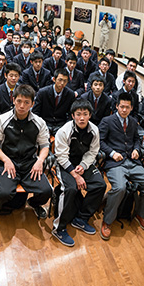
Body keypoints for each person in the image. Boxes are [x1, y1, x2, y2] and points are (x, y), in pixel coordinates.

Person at [0, 84, 53, 223]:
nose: (22, 106)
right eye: (19, 101)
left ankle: (34, 203)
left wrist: (39, 161)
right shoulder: (1, 121)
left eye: (27, 102)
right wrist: (6, 160)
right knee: (4, 193)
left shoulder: (39, 122)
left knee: (46, 191)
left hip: (30, 163)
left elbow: (45, 146)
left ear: (32, 104)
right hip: (8, 161)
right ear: (13, 100)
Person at [98, 92, 144, 240]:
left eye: (127, 107)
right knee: (120, 187)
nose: (124, 110)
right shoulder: (107, 121)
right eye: (121, 107)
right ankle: (107, 221)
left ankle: (140, 214)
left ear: (131, 108)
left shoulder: (133, 121)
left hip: (132, 161)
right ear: (116, 106)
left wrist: (136, 149)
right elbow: (100, 142)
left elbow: (137, 139)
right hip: (115, 163)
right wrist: (111, 153)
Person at [52, 99, 106, 246]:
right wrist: (75, 175)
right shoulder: (64, 131)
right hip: (65, 164)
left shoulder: (94, 130)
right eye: (78, 114)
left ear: (90, 115)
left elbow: (93, 151)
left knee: (100, 185)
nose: (82, 118)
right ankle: (59, 228)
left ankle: (81, 218)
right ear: (73, 116)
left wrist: (83, 165)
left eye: (85, 114)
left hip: (83, 163)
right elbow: (61, 156)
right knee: (70, 189)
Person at [32, 68, 76, 136]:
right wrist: (40, 125)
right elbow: (36, 112)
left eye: (65, 81)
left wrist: (66, 127)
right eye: (60, 80)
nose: (62, 83)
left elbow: (71, 114)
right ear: (54, 79)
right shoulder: (42, 92)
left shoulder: (70, 94)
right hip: (44, 122)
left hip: (61, 124)